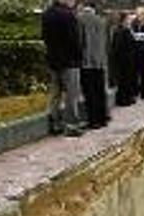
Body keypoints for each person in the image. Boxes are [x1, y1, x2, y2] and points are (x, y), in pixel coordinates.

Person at [42, 0, 83, 136]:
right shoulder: (68, 15)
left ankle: (54, 124)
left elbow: (44, 37)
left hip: (53, 60)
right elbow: (74, 40)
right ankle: (71, 126)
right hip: (69, 61)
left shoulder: (46, 14)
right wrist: (78, 56)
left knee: (55, 93)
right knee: (71, 94)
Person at [77, 3, 109, 129]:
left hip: (86, 62)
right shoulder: (101, 21)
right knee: (100, 91)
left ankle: (93, 121)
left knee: (90, 93)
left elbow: (79, 41)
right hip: (100, 62)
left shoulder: (79, 19)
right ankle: (103, 118)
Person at [111, 13, 138, 106]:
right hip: (125, 60)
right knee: (125, 80)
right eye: (128, 19)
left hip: (122, 59)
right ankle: (124, 99)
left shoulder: (118, 30)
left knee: (124, 80)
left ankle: (125, 98)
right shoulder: (124, 31)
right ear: (124, 20)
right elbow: (126, 45)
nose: (130, 21)